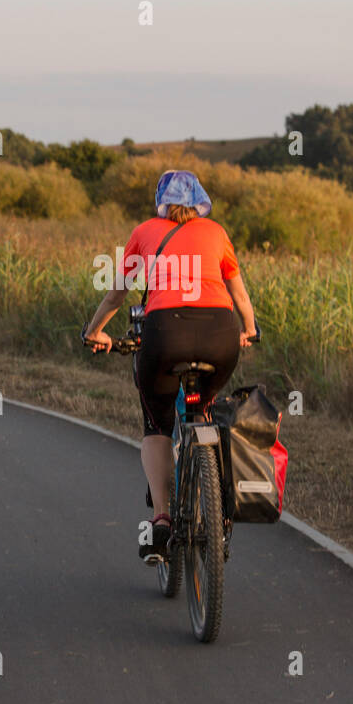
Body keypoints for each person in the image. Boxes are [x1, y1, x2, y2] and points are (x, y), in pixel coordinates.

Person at [83, 169, 258, 563]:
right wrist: (248, 330)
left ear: (161, 202)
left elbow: (116, 295)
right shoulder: (216, 233)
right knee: (207, 406)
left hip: (165, 334)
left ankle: (162, 519)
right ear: (200, 202)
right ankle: (219, 507)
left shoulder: (145, 232)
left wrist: (94, 332)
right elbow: (240, 294)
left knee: (159, 423)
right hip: (220, 334)